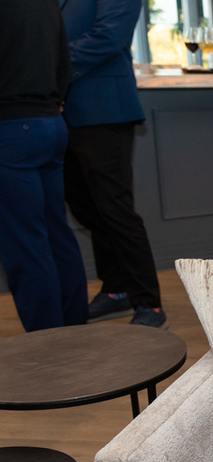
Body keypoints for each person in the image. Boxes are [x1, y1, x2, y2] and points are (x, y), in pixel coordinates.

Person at [61, 0, 165, 327]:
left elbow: (109, 36)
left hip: (104, 109)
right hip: (61, 112)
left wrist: (49, 62)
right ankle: (116, 289)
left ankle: (149, 303)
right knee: (85, 206)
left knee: (114, 208)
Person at [0, 0, 88, 332]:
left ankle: (46, 341)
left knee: (26, 244)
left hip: (11, 127)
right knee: (56, 232)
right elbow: (64, 62)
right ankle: (73, 329)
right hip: (51, 123)